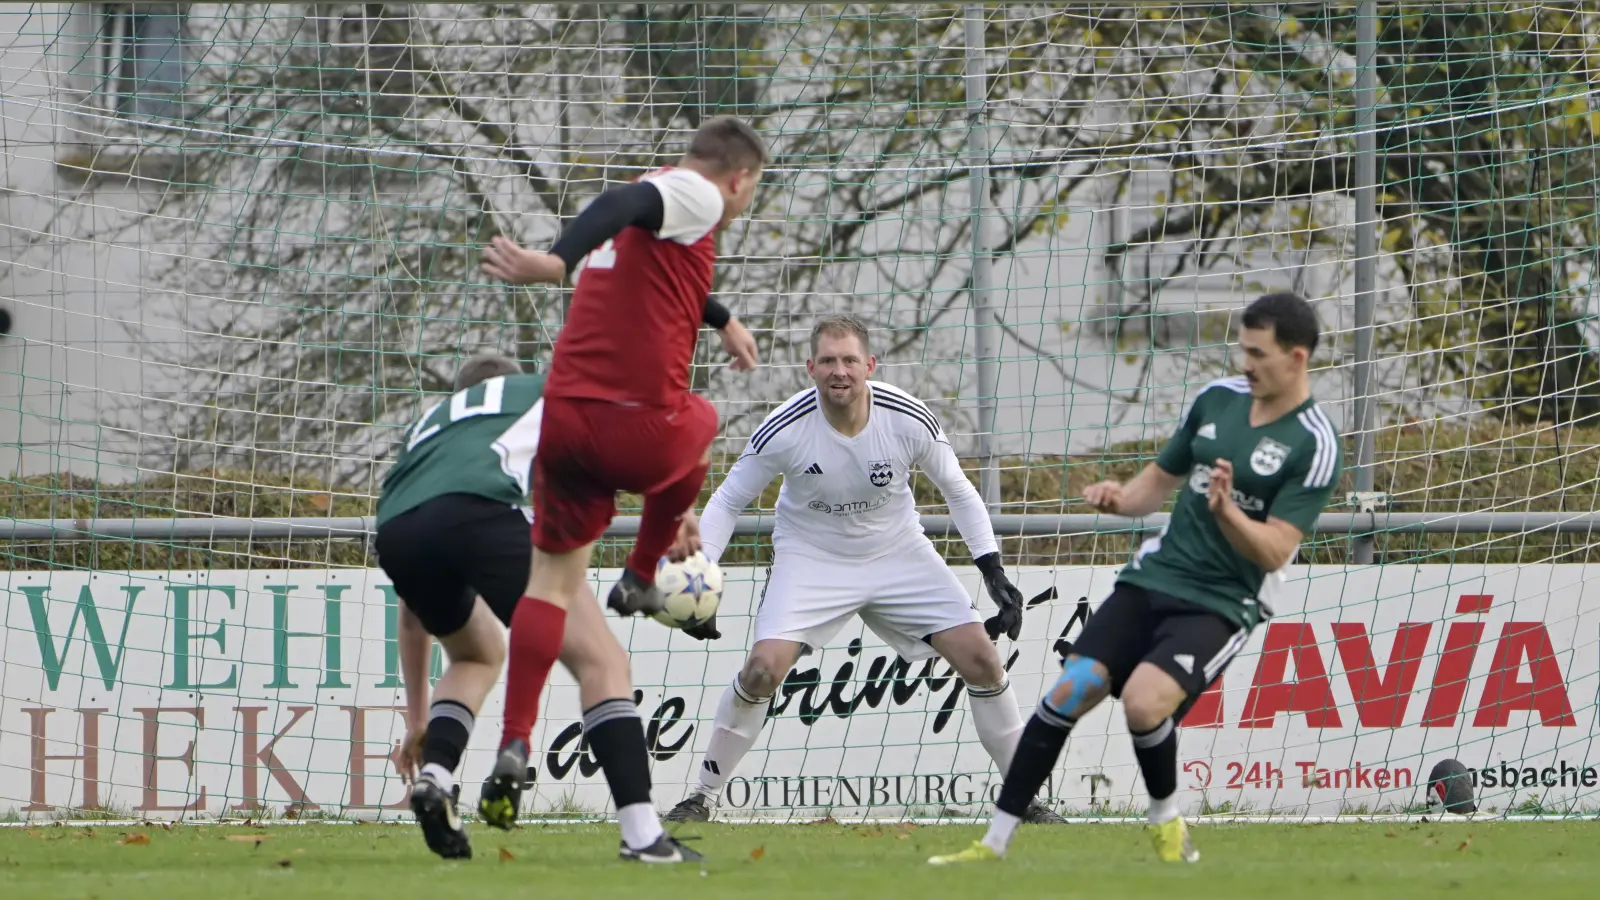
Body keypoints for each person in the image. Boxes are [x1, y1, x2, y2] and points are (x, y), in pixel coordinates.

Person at [928, 292, 1342, 865]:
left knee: (1145, 706)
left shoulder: (1314, 443)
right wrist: (1120, 499)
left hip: (1223, 600)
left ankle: (1165, 818)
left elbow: (1275, 550)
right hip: (1155, 576)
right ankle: (993, 842)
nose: (1245, 364)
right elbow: (1158, 481)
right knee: (1070, 690)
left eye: (1258, 353)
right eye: (1241, 349)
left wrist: (1227, 513)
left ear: (1297, 358)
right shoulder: (1216, 400)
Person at [476, 116, 766, 849]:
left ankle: (515, 741)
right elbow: (618, 202)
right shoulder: (695, 195)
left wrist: (722, 317)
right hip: (631, 423)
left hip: (564, 424)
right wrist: (554, 260)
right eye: (751, 192)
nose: (743, 205)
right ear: (737, 178)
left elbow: (656, 269)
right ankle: (640, 574)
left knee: (549, 588)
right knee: (700, 420)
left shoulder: (653, 227)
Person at [662, 314, 1064, 825]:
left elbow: (958, 489)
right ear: (810, 368)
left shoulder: (907, 417)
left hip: (898, 553)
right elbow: (726, 501)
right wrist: (702, 578)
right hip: (811, 556)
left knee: (983, 661)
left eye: (850, 360)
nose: (840, 371)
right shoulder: (784, 428)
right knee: (762, 670)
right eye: (828, 360)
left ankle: (1023, 799)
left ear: (870, 365)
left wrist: (991, 568)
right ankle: (701, 797)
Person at [376, 353, 693, 863]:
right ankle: (643, 834)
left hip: (395, 528)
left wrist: (418, 720)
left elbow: (413, 616)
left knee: (476, 653)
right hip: (481, 512)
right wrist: (675, 509)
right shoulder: (539, 393)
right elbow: (633, 436)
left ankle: (435, 776)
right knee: (602, 661)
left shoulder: (431, 428)